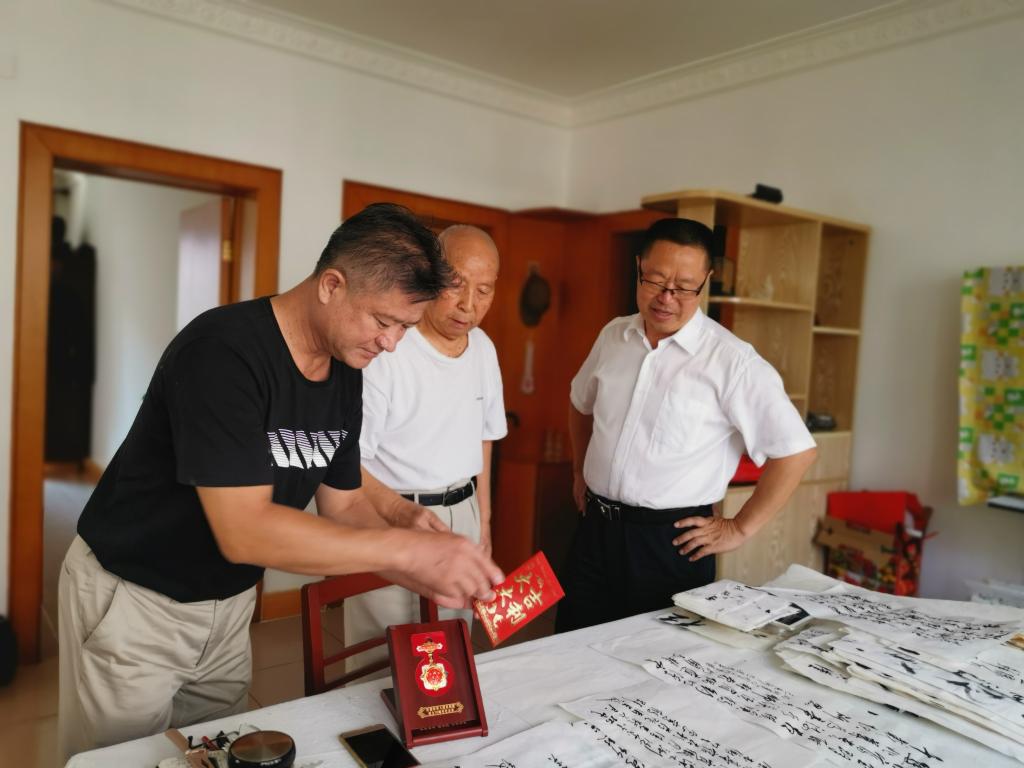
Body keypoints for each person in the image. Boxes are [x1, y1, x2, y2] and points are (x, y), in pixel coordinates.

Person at [57, 204, 504, 762]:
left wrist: (426, 568)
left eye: (405, 329)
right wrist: (407, 550)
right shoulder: (222, 351)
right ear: (332, 285)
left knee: (216, 755)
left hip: (230, 606)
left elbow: (344, 507)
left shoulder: (346, 370)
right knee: (120, 759)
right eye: (383, 321)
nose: (391, 343)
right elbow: (244, 530)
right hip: (138, 598)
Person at [555, 217, 817, 633]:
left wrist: (739, 527)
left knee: (651, 660)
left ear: (706, 281)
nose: (666, 298)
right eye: (655, 281)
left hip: (671, 544)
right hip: (595, 529)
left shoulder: (732, 361)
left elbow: (796, 451)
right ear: (638, 267)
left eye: (684, 287)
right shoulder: (613, 336)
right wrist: (578, 471)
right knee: (571, 645)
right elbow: (580, 403)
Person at [345, 225, 505, 666]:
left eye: (484, 290)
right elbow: (347, 459)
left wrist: (484, 523)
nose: (468, 304)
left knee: (451, 652)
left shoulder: (484, 349)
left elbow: (485, 438)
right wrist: (397, 514)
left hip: (463, 513)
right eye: (456, 284)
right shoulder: (389, 347)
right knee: (382, 655)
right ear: (430, 275)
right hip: (392, 513)